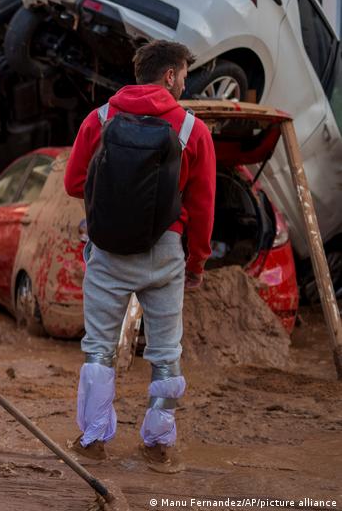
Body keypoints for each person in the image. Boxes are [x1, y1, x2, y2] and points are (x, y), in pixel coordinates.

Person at [63, 40, 215, 473]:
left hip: (108, 248)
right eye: (184, 74)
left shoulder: (100, 118)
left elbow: (74, 183)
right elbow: (203, 207)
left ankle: (93, 439)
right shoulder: (193, 130)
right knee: (166, 350)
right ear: (169, 76)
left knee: (99, 349)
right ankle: (160, 443)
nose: (186, 82)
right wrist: (197, 262)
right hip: (166, 251)